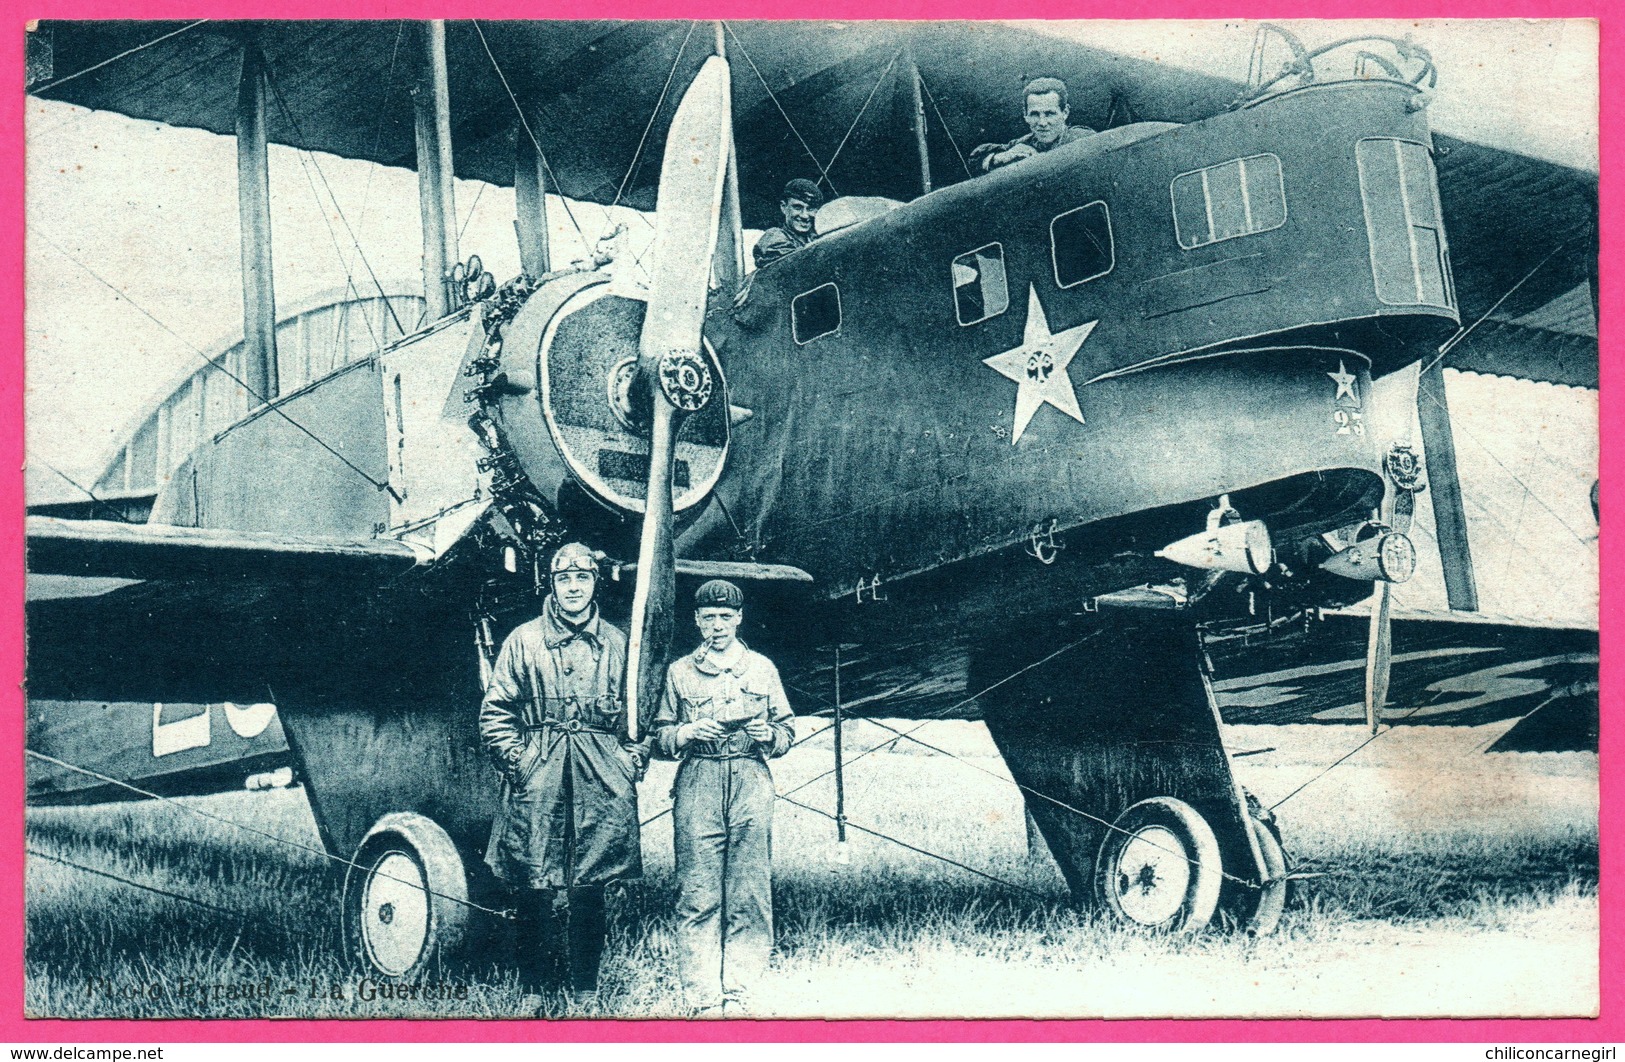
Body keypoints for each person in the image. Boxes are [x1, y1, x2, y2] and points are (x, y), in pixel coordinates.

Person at [478, 541, 647, 1014]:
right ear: (550, 584)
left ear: (595, 583)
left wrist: (628, 762)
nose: (573, 587)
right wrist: (520, 762)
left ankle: (585, 990)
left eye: (583, 578)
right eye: (563, 578)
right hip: (540, 773)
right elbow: (495, 712)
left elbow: (639, 719)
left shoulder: (617, 643)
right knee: (534, 883)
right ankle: (532, 989)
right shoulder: (524, 640)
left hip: (600, 776)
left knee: (589, 885)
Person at [653, 579, 796, 1016]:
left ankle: (742, 988)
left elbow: (788, 730)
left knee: (749, 889)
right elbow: (657, 737)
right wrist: (686, 732)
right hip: (699, 779)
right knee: (697, 890)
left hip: (752, 780)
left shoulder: (762, 668)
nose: (717, 626)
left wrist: (768, 734)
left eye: (725, 617)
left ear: (739, 619)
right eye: (708, 617)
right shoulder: (678, 672)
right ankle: (700, 994)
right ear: (696, 621)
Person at [969, 77, 1094, 173]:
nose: (1042, 123)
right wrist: (1000, 157)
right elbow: (974, 161)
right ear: (1025, 115)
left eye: (1049, 114)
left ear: (1065, 112)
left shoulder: (1084, 140)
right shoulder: (1022, 145)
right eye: (1034, 114)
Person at [752, 178, 824, 268]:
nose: (805, 216)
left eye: (810, 209)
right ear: (784, 207)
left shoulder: (815, 238)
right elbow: (794, 267)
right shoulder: (775, 236)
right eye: (797, 207)